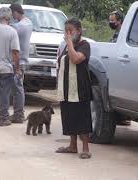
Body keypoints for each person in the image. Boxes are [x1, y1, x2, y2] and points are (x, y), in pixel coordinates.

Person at [55, 18, 93, 159]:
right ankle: (72, 146)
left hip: (80, 88)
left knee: (82, 117)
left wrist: (69, 42)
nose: (68, 33)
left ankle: (86, 148)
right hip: (67, 89)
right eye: (66, 30)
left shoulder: (85, 45)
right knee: (69, 115)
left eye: (71, 30)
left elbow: (76, 59)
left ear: (79, 30)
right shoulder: (65, 46)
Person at [9, 4, 33, 124]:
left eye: (11, 13)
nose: (11, 16)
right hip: (20, 60)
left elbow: (13, 28)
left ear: (15, 12)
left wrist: (2, 22)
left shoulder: (22, 25)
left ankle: (19, 115)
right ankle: (17, 113)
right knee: (17, 88)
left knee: (17, 89)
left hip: (19, 61)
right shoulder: (28, 22)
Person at [109, 11, 131, 126]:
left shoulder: (124, 34)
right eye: (110, 20)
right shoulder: (117, 34)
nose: (111, 22)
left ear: (120, 21)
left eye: (113, 20)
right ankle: (121, 117)